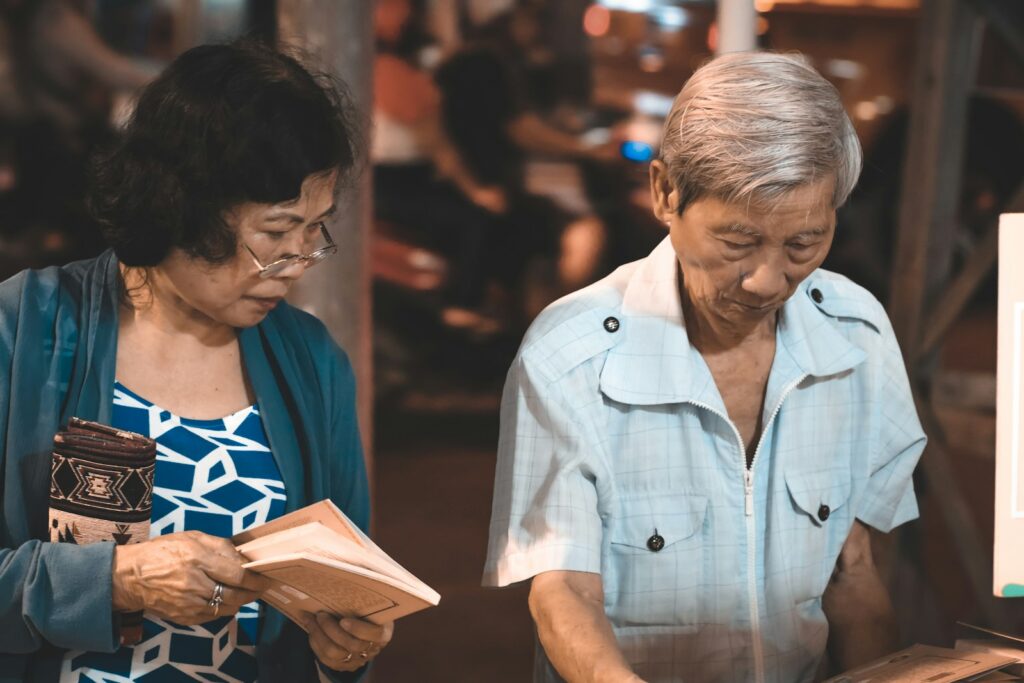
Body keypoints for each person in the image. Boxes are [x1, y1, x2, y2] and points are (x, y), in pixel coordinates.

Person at [484, 52, 926, 683]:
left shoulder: (857, 335)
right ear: (665, 192)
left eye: (804, 243)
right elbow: (564, 594)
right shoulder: (572, 353)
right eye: (737, 242)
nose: (768, 280)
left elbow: (854, 576)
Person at [0, 42, 392, 682]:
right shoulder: (25, 331)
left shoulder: (311, 362)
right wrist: (118, 579)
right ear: (180, 206)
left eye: (314, 230)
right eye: (274, 232)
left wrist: (345, 650)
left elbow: (344, 590)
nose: (295, 264)